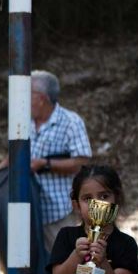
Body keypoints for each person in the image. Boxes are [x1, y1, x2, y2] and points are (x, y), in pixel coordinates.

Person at [29, 70, 92, 252]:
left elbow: (81, 162)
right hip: (29, 210)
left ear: (41, 98)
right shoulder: (24, 122)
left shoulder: (70, 122)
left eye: (27, 93)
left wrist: (45, 164)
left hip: (58, 210)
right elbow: (13, 155)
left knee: (64, 259)